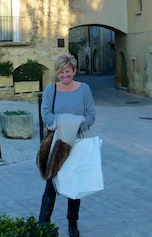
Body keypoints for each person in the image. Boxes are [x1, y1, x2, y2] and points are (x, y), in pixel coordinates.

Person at [38, 53, 96, 237]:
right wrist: (68, 123)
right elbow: (46, 114)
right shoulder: (51, 90)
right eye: (61, 72)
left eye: (68, 72)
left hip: (77, 143)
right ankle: (43, 223)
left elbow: (91, 115)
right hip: (57, 144)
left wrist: (75, 124)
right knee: (51, 184)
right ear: (57, 73)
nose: (65, 76)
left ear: (74, 71)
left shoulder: (84, 89)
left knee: (74, 186)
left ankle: (73, 224)